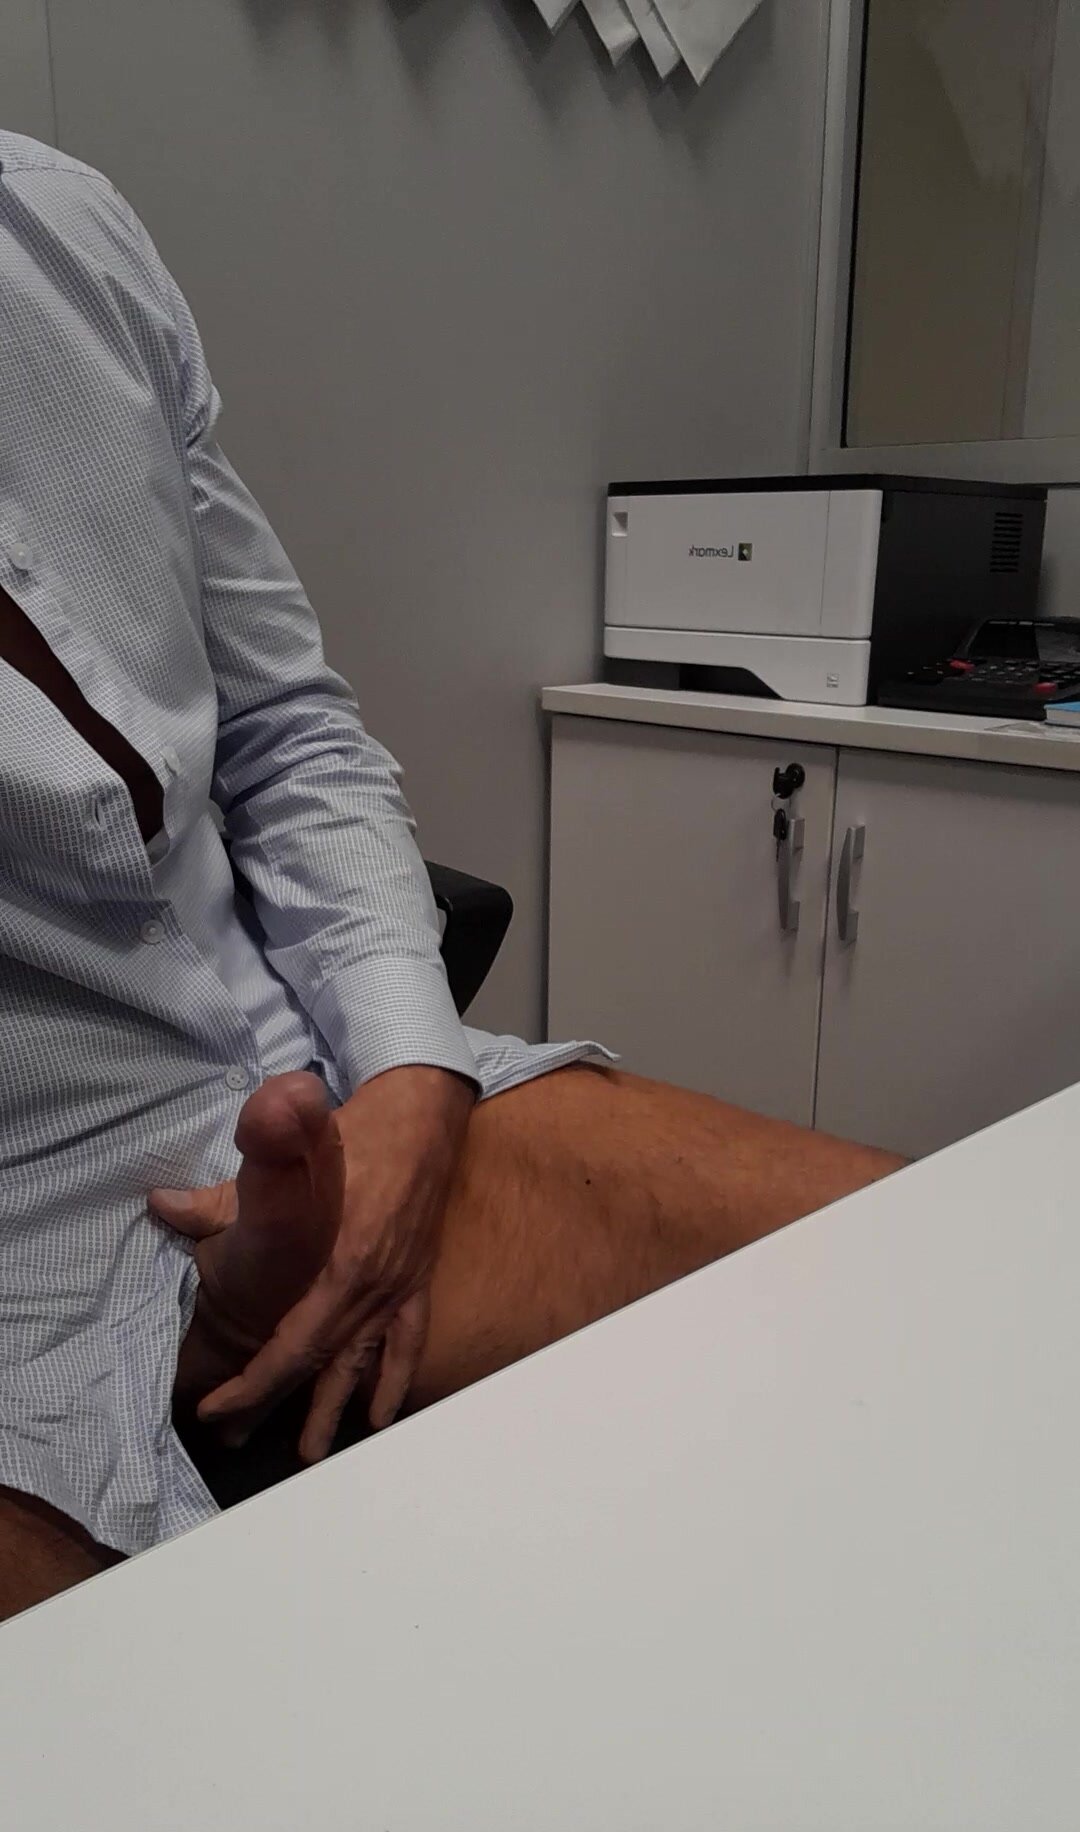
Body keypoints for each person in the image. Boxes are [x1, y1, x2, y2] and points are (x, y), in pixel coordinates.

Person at [0, 131, 903, 1622]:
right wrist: (186, 1333)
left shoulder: (60, 230)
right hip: (29, 1224)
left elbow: (289, 732)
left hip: (309, 1076)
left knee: (958, 1275)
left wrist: (415, 1077)